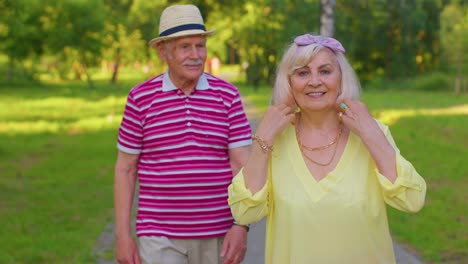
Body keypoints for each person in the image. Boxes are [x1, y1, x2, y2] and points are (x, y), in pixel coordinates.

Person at [228, 33, 427, 264]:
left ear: (341, 78)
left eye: (325, 71)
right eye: (303, 73)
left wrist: (371, 133)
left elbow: (412, 200)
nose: (314, 81)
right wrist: (262, 139)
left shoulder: (373, 134)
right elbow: (244, 212)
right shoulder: (273, 140)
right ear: (289, 82)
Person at [114, 4, 252, 264]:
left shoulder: (228, 96)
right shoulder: (140, 98)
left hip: (219, 234)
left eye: (200, 45)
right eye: (184, 47)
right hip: (159, 236)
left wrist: (241, 226)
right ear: (163, 51)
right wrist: (122, 236)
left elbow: (242, 165)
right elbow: (125, 169)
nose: (195, 55)